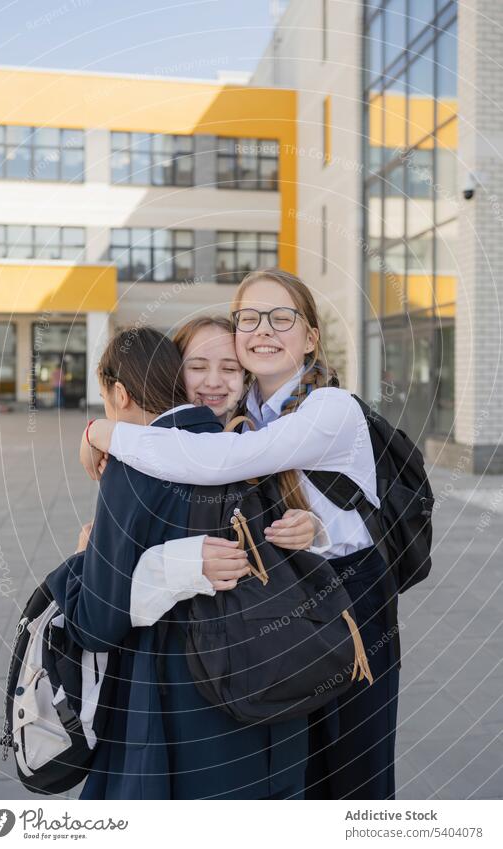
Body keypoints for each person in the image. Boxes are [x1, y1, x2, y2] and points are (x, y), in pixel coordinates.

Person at [81, 269, 401, 800]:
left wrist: (104, 430)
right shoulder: (242, 414)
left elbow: (232, 460)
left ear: (311, 337)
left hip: (350, 607)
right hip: (267, 630)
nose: (264, 330)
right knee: (307, 773)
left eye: (283, 317)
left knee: (353, 777)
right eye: (249, 318)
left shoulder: (325, 410)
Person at [47, 324, 316, 799]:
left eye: (229, 367)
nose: (213, 380)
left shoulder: (133, 464)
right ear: (176, 374)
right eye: (198, 366)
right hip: (268, 694)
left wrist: (83, 562)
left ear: (120, 392)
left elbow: (93, 624)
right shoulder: (255, 447)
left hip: (178, 704)